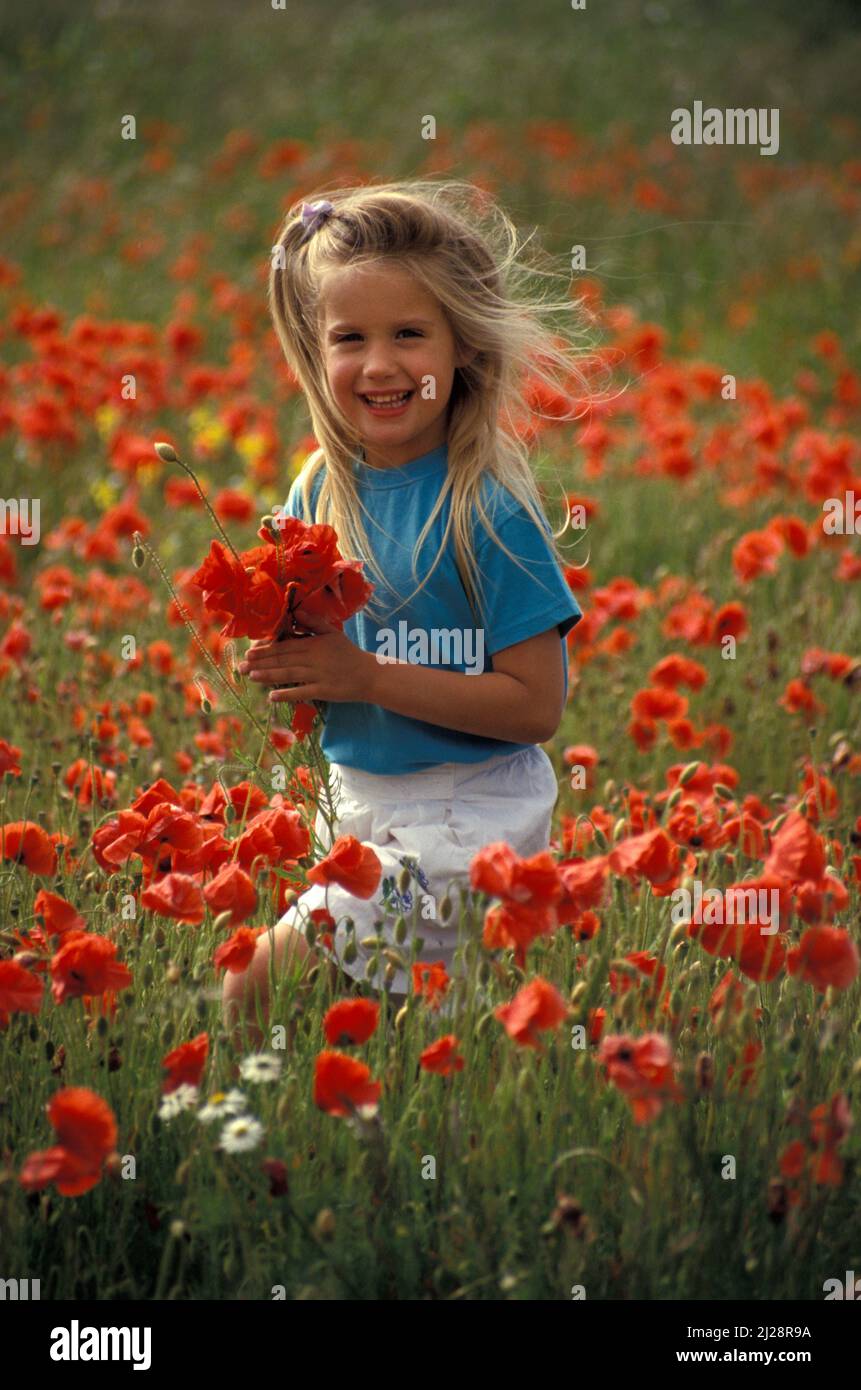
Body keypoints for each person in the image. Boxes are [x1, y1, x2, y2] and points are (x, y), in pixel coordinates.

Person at [222, 179, 588, 1043]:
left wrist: (367, 678)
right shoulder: (321, 486)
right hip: (355, 800)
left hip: (466, 815)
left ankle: (211, 1127)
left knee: (254, 986)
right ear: (316, 352)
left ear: (463, 345)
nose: (379, 365)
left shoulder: (486, 509)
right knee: (416, 1046)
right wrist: (284, 661)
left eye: (408, 335)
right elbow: (322, 659)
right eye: (349, 338)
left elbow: (535, 706)